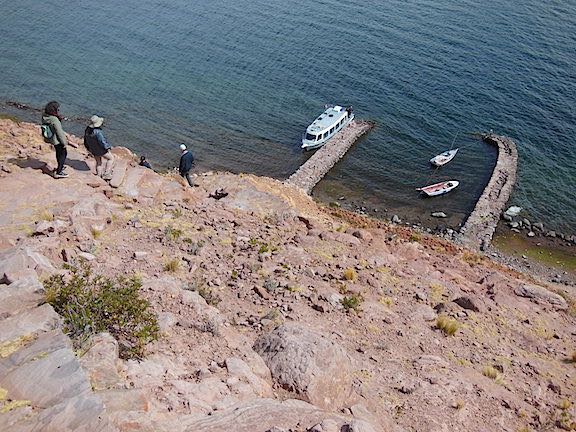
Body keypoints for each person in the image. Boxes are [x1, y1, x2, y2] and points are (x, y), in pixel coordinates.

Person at [41, 101, 69, 178]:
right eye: (57, 109)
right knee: (63, 154)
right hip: (57, 140)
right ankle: (59, 171)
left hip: (52, 139)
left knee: (58, 153)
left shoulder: (45, 116)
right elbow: (59, 132)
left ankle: (60, 166)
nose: (58, 110)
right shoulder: (54, 120)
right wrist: (64, 143)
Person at [84, 115, 114, 180]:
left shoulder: (87, 130)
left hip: (93, 149)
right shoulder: (98, 132)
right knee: (111, 158)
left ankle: (99, 175)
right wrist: (108, 147)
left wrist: (88, 148)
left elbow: (85, 140)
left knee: (98, 162)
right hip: (100, 150)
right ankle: (107, 173)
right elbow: (102, 142)